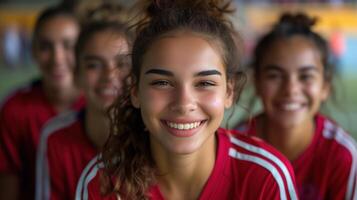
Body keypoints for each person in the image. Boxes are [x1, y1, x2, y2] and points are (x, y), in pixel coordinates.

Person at [75, 1, 298, 199]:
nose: (183, 104)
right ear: (135, 90)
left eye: (204, 83)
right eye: (162, 82)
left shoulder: (265, 177)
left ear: (229, 92)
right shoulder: (103, 183)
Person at [235, 12, 357, 199]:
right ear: (257, 82)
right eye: (275, 76)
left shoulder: (342, 155)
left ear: (325, 86)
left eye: (305, 76)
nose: (291, 90)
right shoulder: (237, 146)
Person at [35, 3, 132, 200]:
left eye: (121, 64)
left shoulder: (153, 138)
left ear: (138, 75)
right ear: (76, 74)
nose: (109, 75)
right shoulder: (55, 136)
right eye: (94, 65)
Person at [0, 4, 84, 200]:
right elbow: (7, 185)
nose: (57, 57)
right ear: (34, 51)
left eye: (68, 45)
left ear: (83, 50)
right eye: (46, 46)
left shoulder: (100, 106)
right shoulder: (16, 109)